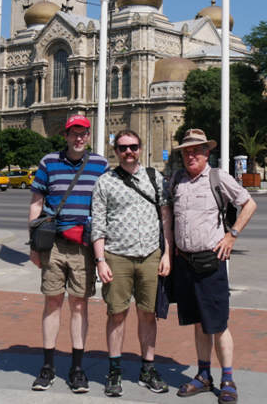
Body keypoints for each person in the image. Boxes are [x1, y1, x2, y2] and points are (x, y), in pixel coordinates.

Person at [165, 129, 257, 402]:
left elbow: (249, 204)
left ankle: (227, 378)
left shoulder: (218, 177)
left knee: (217, 324)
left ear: (207, 153)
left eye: (196, 150)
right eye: (186, 151)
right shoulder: (176, 181)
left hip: (211, 262)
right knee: (197, 323)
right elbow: (169, 221)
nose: (190, 155)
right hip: (185, 263)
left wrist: (232, 235)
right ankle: (204, 375)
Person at [28, 115, 110, 393]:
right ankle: (48, 367)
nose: (78, 138)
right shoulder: (48, 162)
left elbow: (108, 206)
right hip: (53, 245)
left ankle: (76, 368)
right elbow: (36, 203)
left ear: (88, 135)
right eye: (74, 133)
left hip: (84, 247)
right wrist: (33, 245)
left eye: (83, 133)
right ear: (65, 135)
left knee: (79, 305)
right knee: (52, 303)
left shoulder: (100, 164)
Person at [91, 130, 174, 396]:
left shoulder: (154, 178)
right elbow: (98, 225)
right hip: (117, 256)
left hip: (150, 255)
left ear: (141, 148)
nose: (129, 151)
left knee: (148, 314)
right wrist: (100, 260)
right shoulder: (105, 182)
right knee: (116, 313)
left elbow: (166, 218)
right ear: (115, 151)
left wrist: (167, 252)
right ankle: (114, 371)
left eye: (134, 147)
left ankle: (147, 370)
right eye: (123, 147)